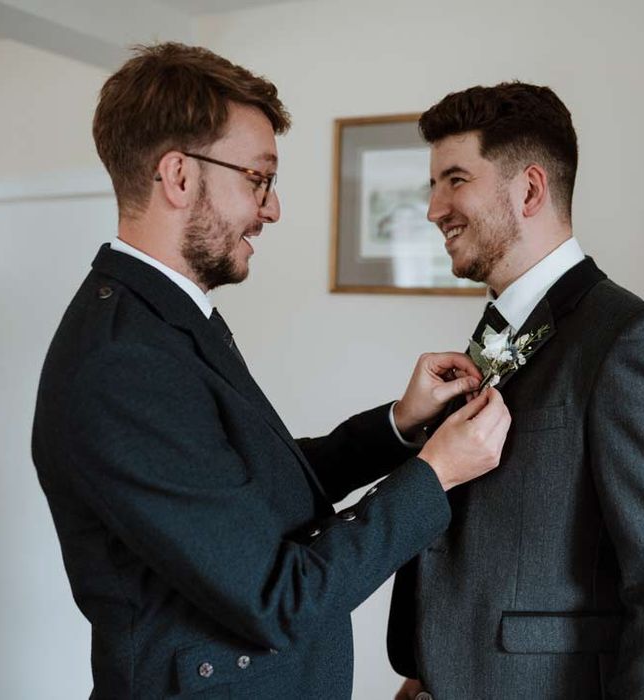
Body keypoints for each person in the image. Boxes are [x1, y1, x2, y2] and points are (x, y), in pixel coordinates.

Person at [31, 44, 512, 700]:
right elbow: (279, 597)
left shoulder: (166, 319)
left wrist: (399, 426)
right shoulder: (122, 363)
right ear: (177, 176)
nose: (273, 208)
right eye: (258, 178)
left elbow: (251, 496)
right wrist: (436, 475)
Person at [389, 82, 644, 700]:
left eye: (454, 180)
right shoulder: (502, 330)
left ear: (530, 189)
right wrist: (432, 669)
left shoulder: (634, 341)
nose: (434, 208)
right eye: (433, 185)